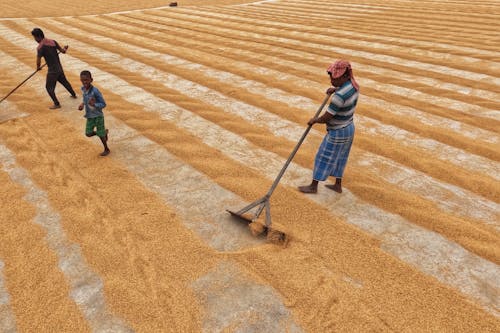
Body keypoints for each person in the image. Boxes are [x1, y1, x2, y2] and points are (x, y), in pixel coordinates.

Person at [298, 60, 360, 194]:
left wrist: (315, 120)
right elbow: (344, 90)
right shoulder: (353, 86)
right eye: (331, 76)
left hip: (337, 131)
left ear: (345, 76)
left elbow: (327, 116)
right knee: (341, 157)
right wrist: (336, 88)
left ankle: (313, 186)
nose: (332, 80)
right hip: (349, 128)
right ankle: (338, 185)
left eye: (335, 77)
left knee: (323, 157)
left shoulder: (338, 97)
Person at [31, 27, 77, 109]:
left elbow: (38, 60)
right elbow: (63, 52)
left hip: (52, 71)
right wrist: (65, 48)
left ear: (38, 36)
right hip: (59, 68)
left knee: (49, 88)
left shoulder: (40, 47)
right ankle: (74, 95)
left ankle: (57, 104)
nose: (35, 39)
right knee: (65, 82)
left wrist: (38, 68)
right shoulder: (53, 41)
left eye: (34, 37)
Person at [78, 70, 110, 156]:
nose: (84, 82)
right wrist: (82, 104)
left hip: (98, 116)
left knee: (100, 135)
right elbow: (85, 99)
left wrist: (94, 104)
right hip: (89, 116)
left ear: (91, 80)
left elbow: (103, 104)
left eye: (86, 80)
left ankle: (106, 149)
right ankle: (103, 133)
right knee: (88, 133)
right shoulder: (83, 89)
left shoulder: (95, 91)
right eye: (82, 80)